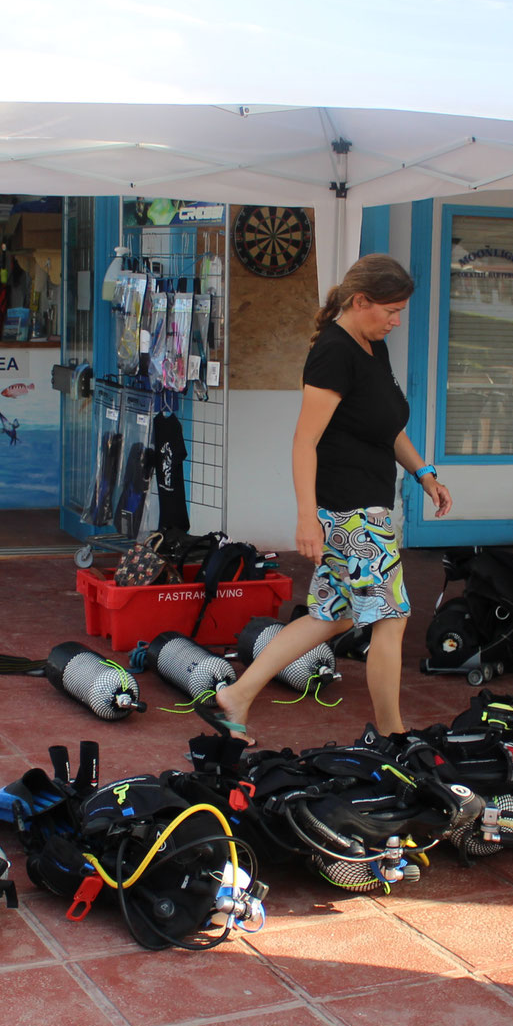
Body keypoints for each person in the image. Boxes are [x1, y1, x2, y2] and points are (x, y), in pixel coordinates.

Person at [206, 254, 450, 737]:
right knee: (392, 617)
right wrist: (305, 518)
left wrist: (423, 471)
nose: (397, 321)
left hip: (362, 505)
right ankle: (393, 736)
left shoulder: (370, 345)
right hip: (350, 511)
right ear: (361, 301)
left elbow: (386, 426)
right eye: (391, 310)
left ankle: (235, 696)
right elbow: (304, 442)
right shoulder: (334, 352)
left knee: (332, 617)